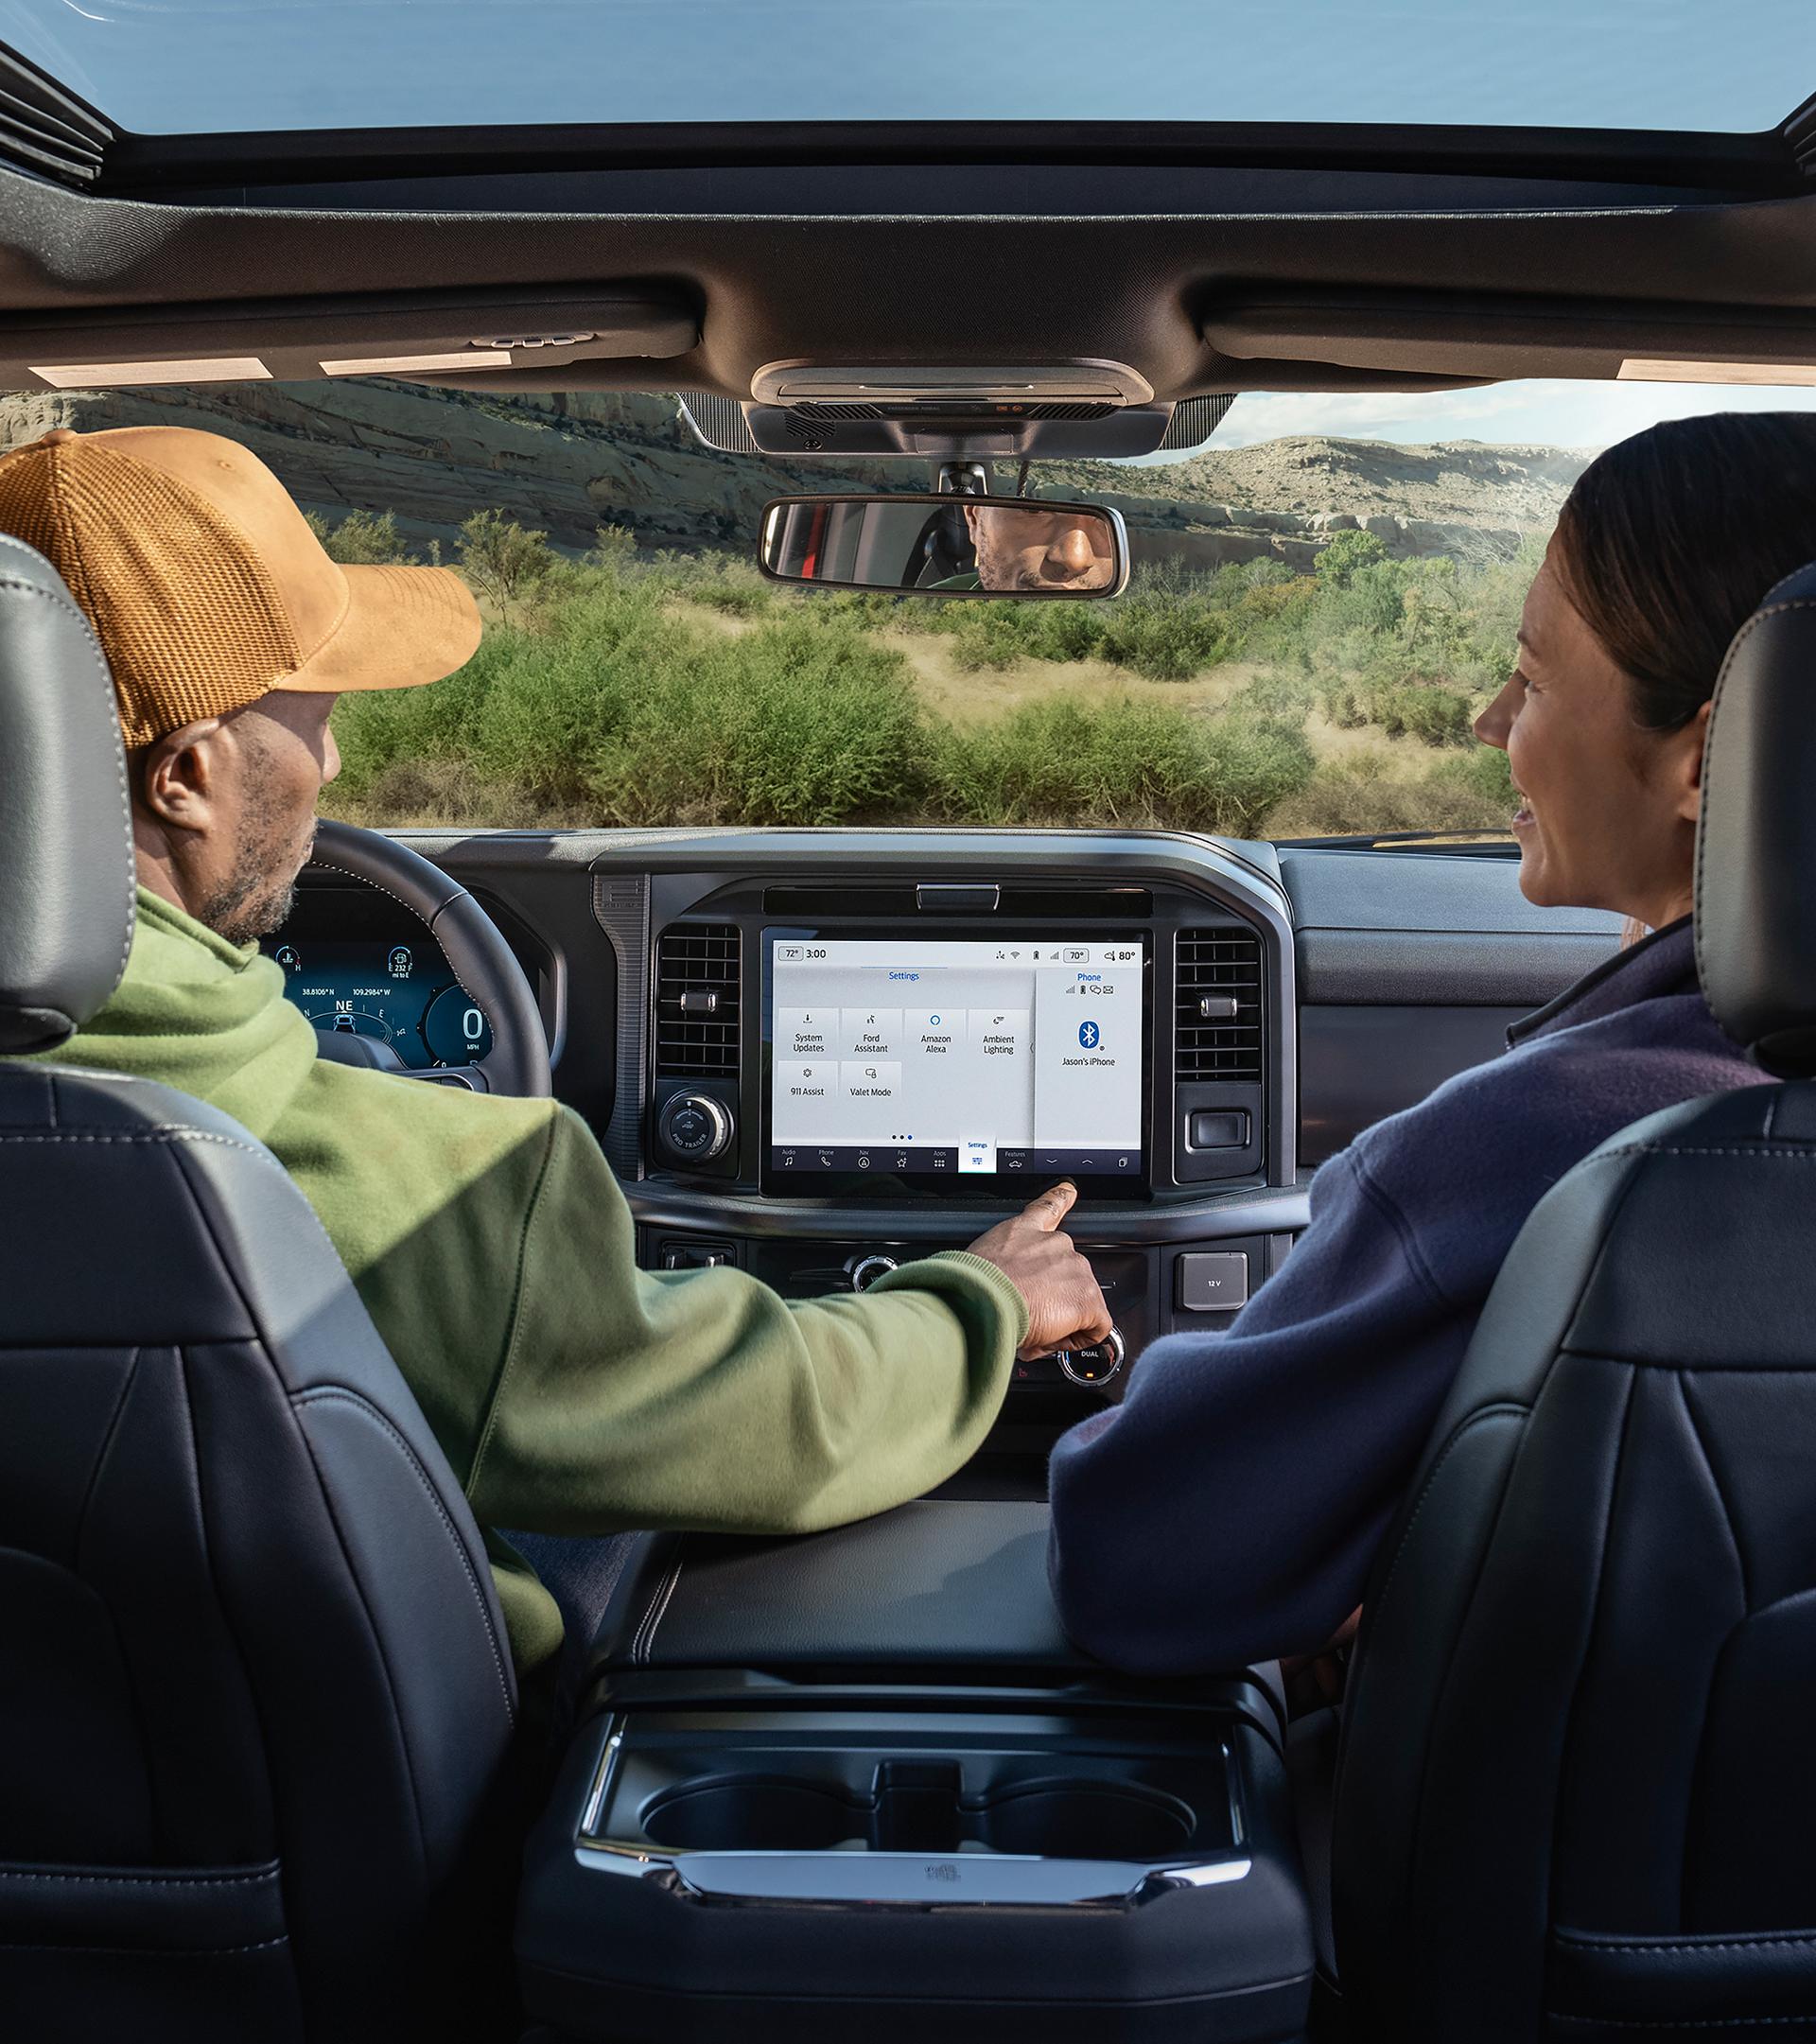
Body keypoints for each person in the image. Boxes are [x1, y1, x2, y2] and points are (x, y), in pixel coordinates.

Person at [0, 424, 1113, 1698]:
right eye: (312, 716)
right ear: (188, 777)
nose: (338, 762)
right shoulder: (448, 1192)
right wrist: (978, 1304)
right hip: (347, 1858)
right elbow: (763, 1422)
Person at [1047, 411, 1816, 1678]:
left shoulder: (1544, 1146)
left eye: (1530, 674)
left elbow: (1138, 1553)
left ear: (1704, 757)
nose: (1484, 716)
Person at [933, 503, 1119, 591]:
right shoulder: (924, 607)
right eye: (1034, 510)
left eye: (1104, 521)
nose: (1075, 559)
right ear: (974, 520)